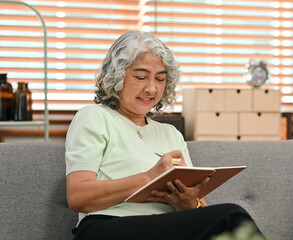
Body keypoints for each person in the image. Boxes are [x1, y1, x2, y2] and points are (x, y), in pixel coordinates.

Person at [65, 30, 264, 240]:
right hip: (107, 227)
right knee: (230, 216)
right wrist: (149, 177)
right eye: (140, 77)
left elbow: (201, 209)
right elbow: (78, 196)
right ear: (116, 77)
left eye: (160, 79)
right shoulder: (93, 117)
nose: (151, 88)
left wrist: (189, 203)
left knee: (225, 223)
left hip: (167, 228)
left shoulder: (171, 134)